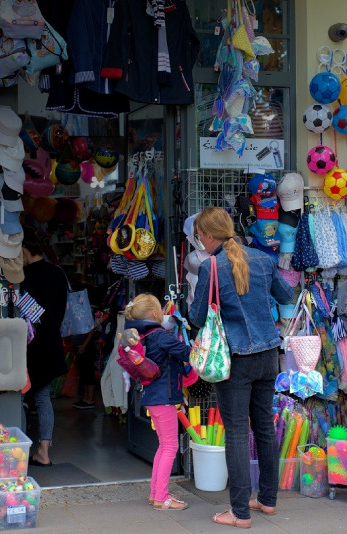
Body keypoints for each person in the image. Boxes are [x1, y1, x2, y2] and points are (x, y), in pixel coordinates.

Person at [189, 207, 294, 528]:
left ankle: (239, 512)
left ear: (209, 235)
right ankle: (267, 500)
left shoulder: (211, 267)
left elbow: (195, 318)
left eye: (199, 236)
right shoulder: (262, 259)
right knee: (263, 426)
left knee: (235, 431)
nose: (200, 242)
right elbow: (286, 293)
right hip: (267, 353)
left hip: (234, 359)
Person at [125, 293, 192, 510]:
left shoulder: (144, 336)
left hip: (154, 397)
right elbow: (186, 353)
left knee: (164, 446)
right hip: (163, 398)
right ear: (155, 314)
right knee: (170, 446)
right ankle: (162, 497)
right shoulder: (160, 336)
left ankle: (156, 493)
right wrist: (202, 349)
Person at [21, 225, 68, 467]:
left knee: (21, 396)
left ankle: (18, 452)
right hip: (51, 343)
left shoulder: (24, 276)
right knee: (43, 398)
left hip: (29, 345)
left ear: (25, 251)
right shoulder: (58, 273)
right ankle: (44, 451)